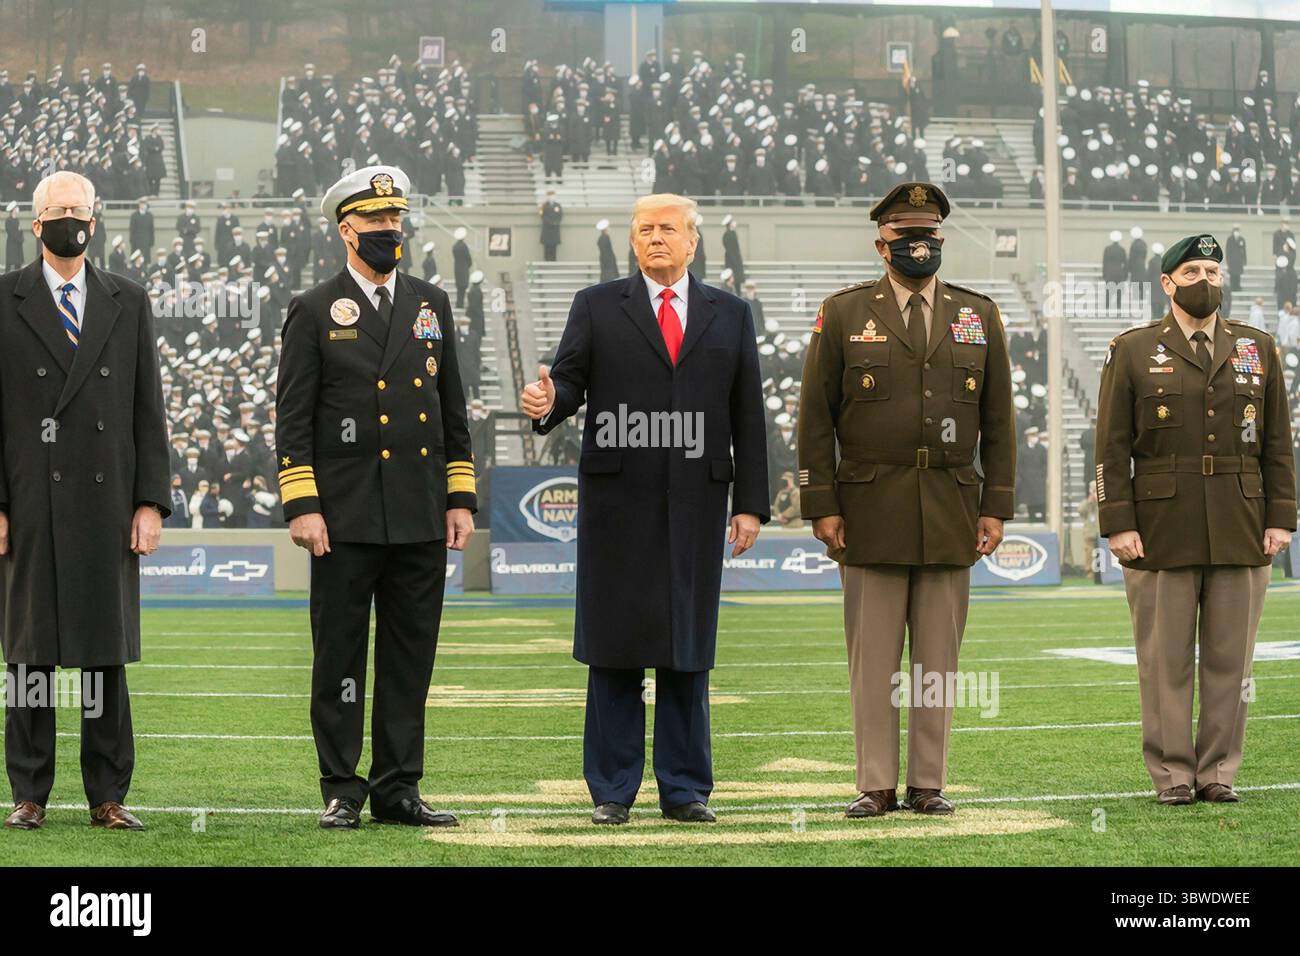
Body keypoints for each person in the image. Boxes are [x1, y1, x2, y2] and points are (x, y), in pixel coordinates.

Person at [519, 193, 769, 826]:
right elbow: (569, 382)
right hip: (616, 501)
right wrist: (548, 400)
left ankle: (685, 789)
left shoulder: (732, 314)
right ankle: (611, 789)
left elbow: (748, 416)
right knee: (615, 645)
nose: (654, 238)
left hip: (698, 504)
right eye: (643, 229)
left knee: (688, 646)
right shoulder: (597, 306)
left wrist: (751, 506)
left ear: (693, 241)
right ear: (632, 242)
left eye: (667, 229)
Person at [796, 181, 1016, 818]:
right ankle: (875, 783)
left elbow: (1000, 422)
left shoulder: (979, 314)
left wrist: (995, 505)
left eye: (930, 237)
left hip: (952, 503)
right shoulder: (842, 315)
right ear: (881, 244)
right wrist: (822, 503)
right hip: (868, 505)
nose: (919, 247)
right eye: (906, 237)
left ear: (942, 241)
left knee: (938, 660)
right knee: (873, 659)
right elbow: (815, 419)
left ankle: (928, 782)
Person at [275, 165, 477, 830]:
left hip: (419, 514)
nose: (390, 231)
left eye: (395, 221)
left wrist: (459, 498)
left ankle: (398, 787)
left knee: (408, 657)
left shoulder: (430, 304)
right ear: (346, 229)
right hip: (344, 516)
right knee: (339, 656)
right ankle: (340, 787)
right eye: (376, 222)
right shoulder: (313, 308)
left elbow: (452, 410)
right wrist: (303, 505)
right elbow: (294, 418)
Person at [1095, 233, 1296, 806]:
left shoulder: (1258, 347)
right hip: (1160, 526)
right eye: (1192, 272)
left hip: (1241, 520)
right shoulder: (1132, 350)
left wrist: (1281, 518)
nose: (1205, 280)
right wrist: (1118, 523)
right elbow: (1111, 449)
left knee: (1232, 662)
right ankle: (1173, 775)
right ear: (1167, 283)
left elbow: (1279, 444)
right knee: (1165, 663)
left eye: (1213, 270)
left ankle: (1218, 774)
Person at [0, 171, 170, 831]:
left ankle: (107, 794)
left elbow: (145, 409)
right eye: (58, 210)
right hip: (30, 499)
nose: (70, 219)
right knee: (31, 654)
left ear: (95, 223)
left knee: (103, 653)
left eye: (80, 210)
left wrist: (150, 501)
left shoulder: (128, 299)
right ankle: (30, 793)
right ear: (35, 222)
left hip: (108, 502)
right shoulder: (4, 299)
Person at [721, 213, 745, 288]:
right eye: (733, 221)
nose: (735, 223)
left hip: (735, 260)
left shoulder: (732, 233)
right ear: (730, 224)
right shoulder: (728, 235)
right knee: (733, 281)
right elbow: (730, 249)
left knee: (737, 282)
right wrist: (736, 262)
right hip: (732, 261)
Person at [540, 191, 563, 262]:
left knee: (554, 244)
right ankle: (546, 259)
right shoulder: (544, 205)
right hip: (547, 228)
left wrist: (556, 222)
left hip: (555, 228)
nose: (551, 198)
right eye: (549, 196)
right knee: (547, 244)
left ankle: (553, 259)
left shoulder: (558, 205)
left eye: (552, 196)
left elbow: (560, 215)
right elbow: (542, 215)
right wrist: (548, 222)